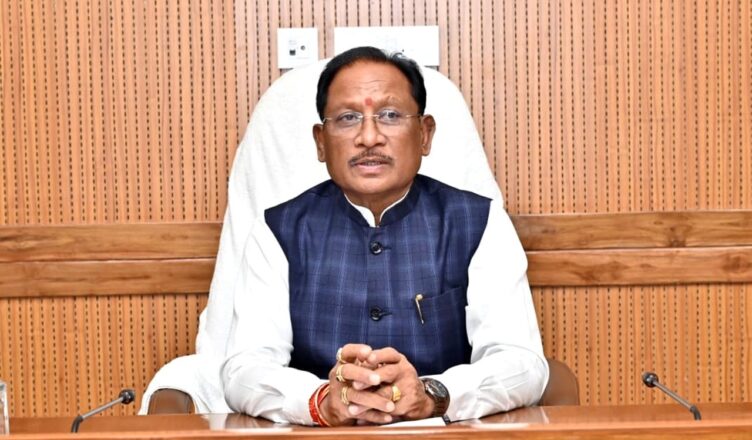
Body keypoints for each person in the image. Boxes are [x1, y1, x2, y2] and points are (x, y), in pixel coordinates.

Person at [220, 46, 548, 426]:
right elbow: (244, 369)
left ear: (424, 134)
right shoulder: (279, 230)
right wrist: (321, 401)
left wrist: (431, 394)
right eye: (348, 118)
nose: (369, 137)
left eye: (390, 115)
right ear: (321, 142)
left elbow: (522, 363)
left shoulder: (478, 222)